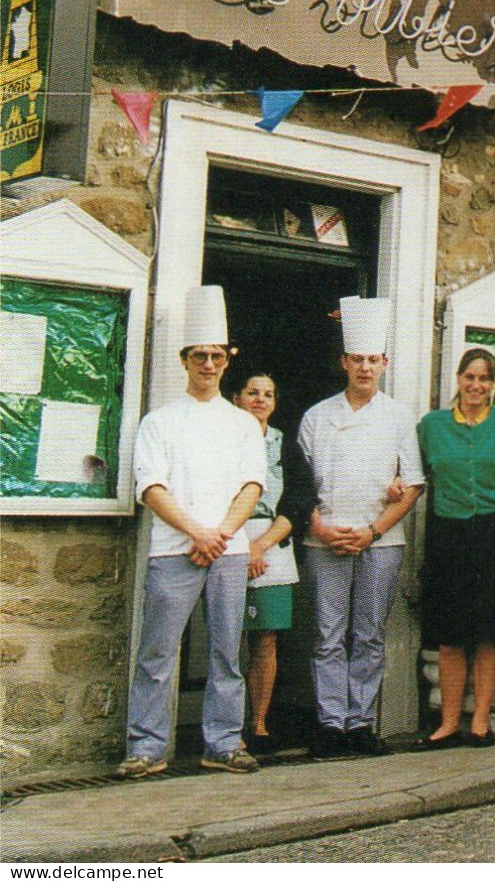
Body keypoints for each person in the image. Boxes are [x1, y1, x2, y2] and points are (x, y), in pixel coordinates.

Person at [120, 286, 266, 778]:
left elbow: (252, 485)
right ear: (185, 360)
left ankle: (223, 743)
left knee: (228, 651)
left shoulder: (243, 424)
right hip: (173, 549)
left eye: (217, 356)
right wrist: (196, 533)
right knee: (157, 652)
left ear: (228, 361)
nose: (208, 364)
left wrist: (219, 534)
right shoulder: (159, 422)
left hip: (225, 550)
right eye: (200, 355)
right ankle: (146, 747)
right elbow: (152, 488)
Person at [285, 295, 424, 759]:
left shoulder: (400, 417)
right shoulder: (317, 417)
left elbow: (412, 487)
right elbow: (300, 484)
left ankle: (361, 721)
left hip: (379, 542)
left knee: (368, 633)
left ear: (384, 363)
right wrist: (321, 528)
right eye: (357, 359)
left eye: (373, 360)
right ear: (344, 362)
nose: (365, 368)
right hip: (324, 538)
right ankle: (330, 723)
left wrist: (373, 531)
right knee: (327, 634)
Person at [414, 348, 495, 749]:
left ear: (493, 385)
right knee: (449, 633)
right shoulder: (432, 425)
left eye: (484, 379)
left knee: (488, 632)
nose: (476, 385)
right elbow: (414, 473)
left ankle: (479, 721)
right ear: (458, 380)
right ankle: (447, 723)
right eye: (470, 377)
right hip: (449, 531)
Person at [231, 371, 299, 755]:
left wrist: (261, 546)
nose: (260, 399)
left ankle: (258, 723)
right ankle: (229, 723)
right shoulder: (223, 440)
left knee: (267, 636)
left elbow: (298, 499)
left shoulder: (283, 444)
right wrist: (242, 546)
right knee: (231, 637)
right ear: (237, 397)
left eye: (268, 394)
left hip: (274, 542)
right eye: (252, 392)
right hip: (230, 540)